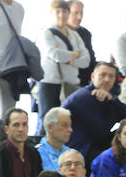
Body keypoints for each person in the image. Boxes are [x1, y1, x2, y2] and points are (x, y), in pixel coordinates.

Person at [62, 62, 126, 164]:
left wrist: (113, 100)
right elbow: (100, 131)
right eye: (103, 75)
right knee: (120, 159)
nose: (107, 79)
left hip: (95, 146)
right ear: (93, 77)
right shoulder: (84, 97)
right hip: (79, 150)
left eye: (111, 76)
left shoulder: (108, 98)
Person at [37, 0, 89, 135]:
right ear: (51, 13)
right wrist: (74, 54)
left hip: (71, 84)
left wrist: (69, 59)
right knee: (47, 124)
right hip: (50, 83)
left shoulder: (74, 34)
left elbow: (86, 61)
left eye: (65, 11)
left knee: (68, 124)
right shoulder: (46, 33)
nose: (61, 15)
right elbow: (55, 55)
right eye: (57, 12)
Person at [36, 106, 98, 177]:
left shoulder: (72, 153)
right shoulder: (38, 154)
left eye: (70, 125)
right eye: (65, 125)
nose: (70, 130)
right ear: (50, 127)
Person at [0, 108, 42, 177]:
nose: (21, 129)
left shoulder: (33, 152)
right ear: (6, 129)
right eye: (16, 125)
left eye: (24, 124)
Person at [67, 1, 95, 86]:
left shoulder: (85, 33)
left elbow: (90, 60)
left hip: (84, 81)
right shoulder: (55, 33)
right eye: (75, 13)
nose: (79, 17)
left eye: (81, 13)